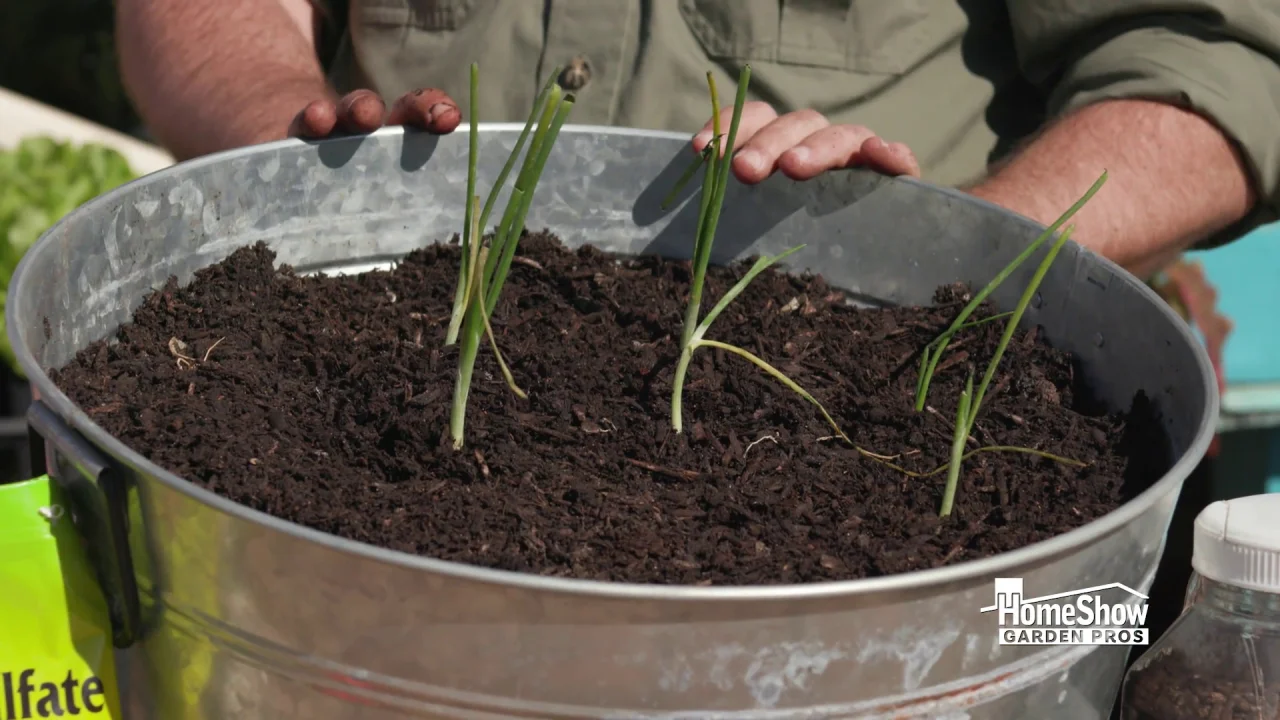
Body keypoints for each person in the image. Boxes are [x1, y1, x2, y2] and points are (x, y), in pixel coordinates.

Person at [116, 0, 1280, 282]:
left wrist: (953, 254)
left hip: (879, 428)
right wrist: (289, 138)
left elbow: (1216, 56)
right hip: (382, 349)